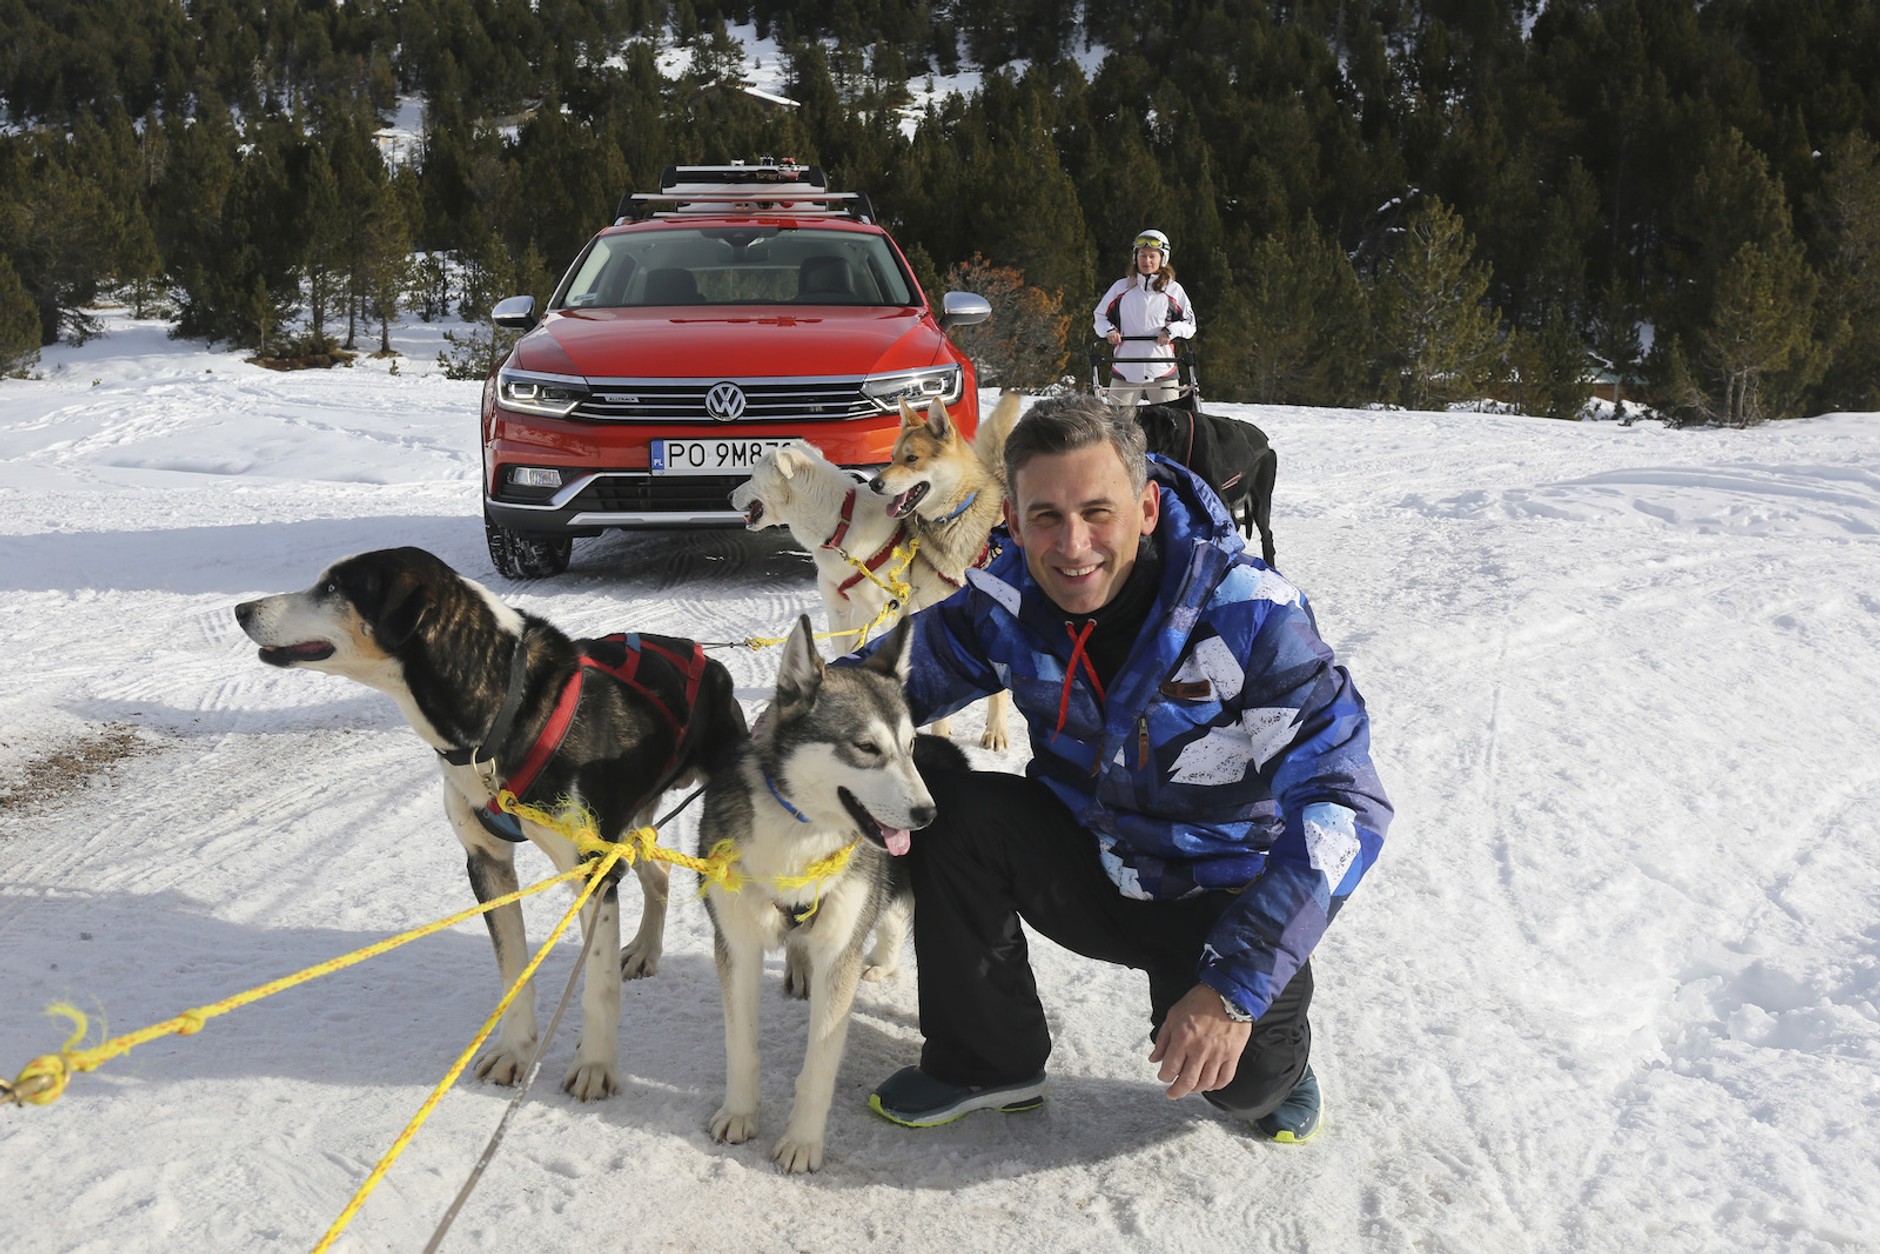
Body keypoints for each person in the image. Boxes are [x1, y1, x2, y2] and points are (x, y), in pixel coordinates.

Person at [853, 395, 1391, 1142]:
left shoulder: (1251, 613)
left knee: (1245, 1091)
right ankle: (987, 1058)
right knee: (942, 801)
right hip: (1084, 859)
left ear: (1144, 507)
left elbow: (1344, 805)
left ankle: (1281, 1067)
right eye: (1045, 517)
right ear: (1011, 519)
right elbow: (883, 686)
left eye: (1097, 512)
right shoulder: (1007, 599)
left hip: (1216, 894)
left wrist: (1236, 988)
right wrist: (785, 731)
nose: (1072, 546)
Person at [1093, 229, 1197, 407]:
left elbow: (1190, 325)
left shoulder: (1173, 290)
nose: (1147, 261)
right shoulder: (1121, 288)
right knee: (1116, 424)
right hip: (1125, 368)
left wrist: (1170, 331)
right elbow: (1100, 317)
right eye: (1142, 255)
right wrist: (1108, 331)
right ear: (1135, 257)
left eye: (1152, 256)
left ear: (1162, 259)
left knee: (1171, 426)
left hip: (1162, 369)